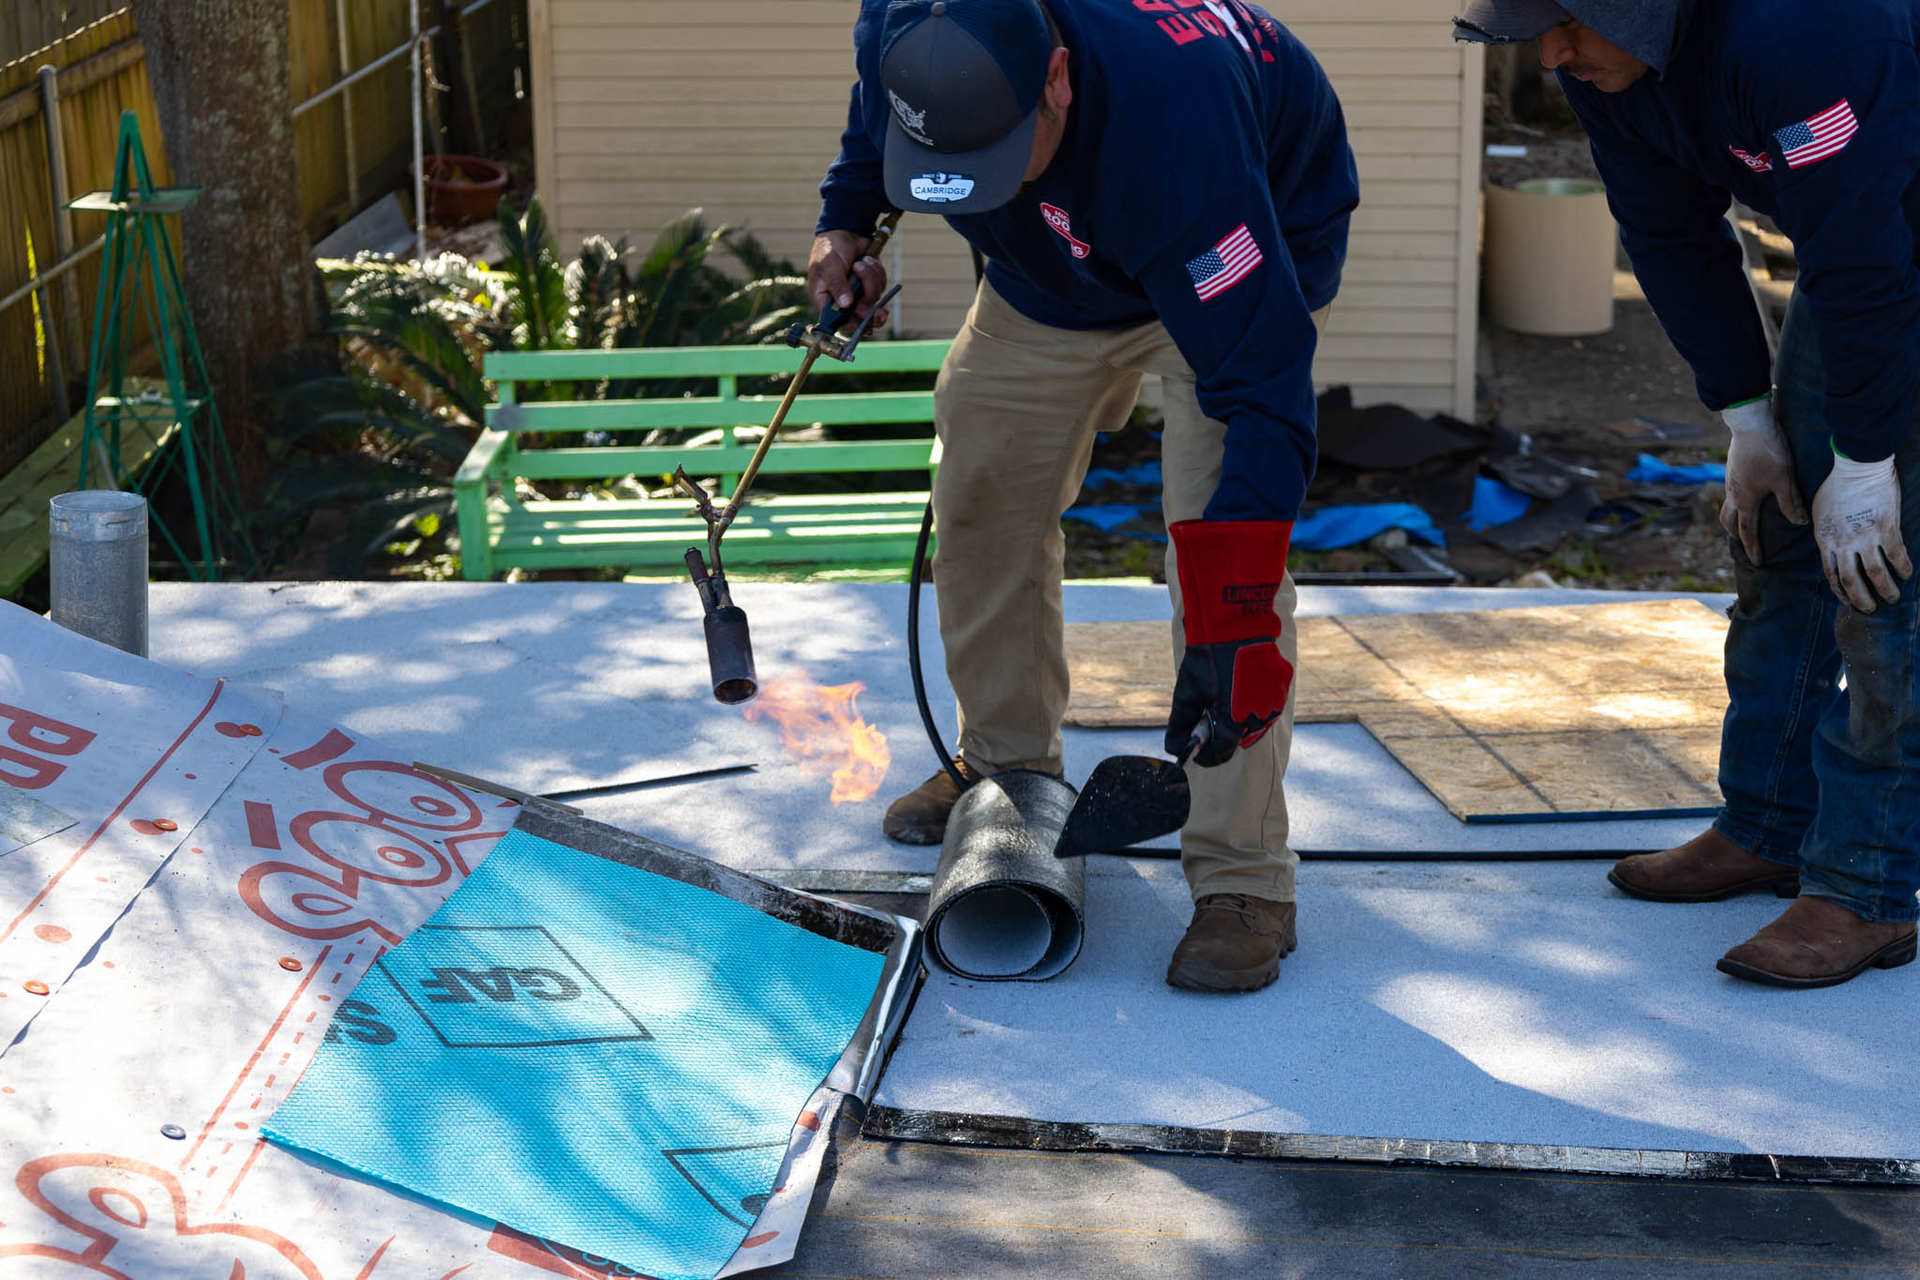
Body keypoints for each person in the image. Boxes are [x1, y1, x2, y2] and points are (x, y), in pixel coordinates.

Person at [809, 0, 1357, 991]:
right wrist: (846, 215)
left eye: (995, 151)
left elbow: (1265, 394)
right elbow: (874, 112)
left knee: (1220, 548)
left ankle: (1244, 880)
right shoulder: (907, 24)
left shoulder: (1177, 128)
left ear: (1055, 79)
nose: (979, 173)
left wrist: (1233, 620)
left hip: (1235, 247)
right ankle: (1007, 770)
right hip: (1046, 273)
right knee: (982, 490)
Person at [1453, 0, 1920, 987]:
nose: (1552, 52)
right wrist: (1748, 415)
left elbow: (1866, 265)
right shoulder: (1607, 63)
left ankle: (1866, 887)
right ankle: (1768, 825)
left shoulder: (1807, 37)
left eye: (1567, 23)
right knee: (1781, 534)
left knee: (1883, 580)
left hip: (1881, 246)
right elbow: (1667, 236)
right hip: (1863, 250)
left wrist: (1867, 461)